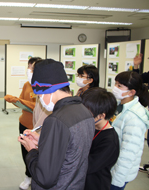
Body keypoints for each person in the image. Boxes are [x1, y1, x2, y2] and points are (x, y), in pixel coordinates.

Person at [18, 59, 95, 190]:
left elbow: (44, 177)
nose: (41, 100)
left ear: (49, 90)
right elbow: (69, 149)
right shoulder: (84, 112)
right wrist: (43, 140)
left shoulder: (56, 120)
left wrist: (31, 150)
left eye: (40, 95)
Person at [4, 57, 41, 190]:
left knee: (39, 154)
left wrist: (25, 103)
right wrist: (15, 101)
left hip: (38, 127)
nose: (29, 70)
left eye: (33, 67)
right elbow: (21, 101)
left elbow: (39, 106)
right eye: (29, 66)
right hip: (24, 123)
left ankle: (38, 177)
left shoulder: (44, 86)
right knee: (25, 153)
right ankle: (28, 176)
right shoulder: (27, 85)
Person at [110, 71, 149, 190]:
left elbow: (128, 154)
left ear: (132, 92)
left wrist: (116, 180)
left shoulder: (135, 117)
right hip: (111, 165)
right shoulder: (119, 105)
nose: (115, 88)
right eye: (116, 84)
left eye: (119, 86)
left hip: (118, 174)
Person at [81, 87, 119, 190]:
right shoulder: (90, 127)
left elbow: (88, 166)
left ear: (101, 115)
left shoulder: (110, 141)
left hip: (95, 185)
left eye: (87, 112)